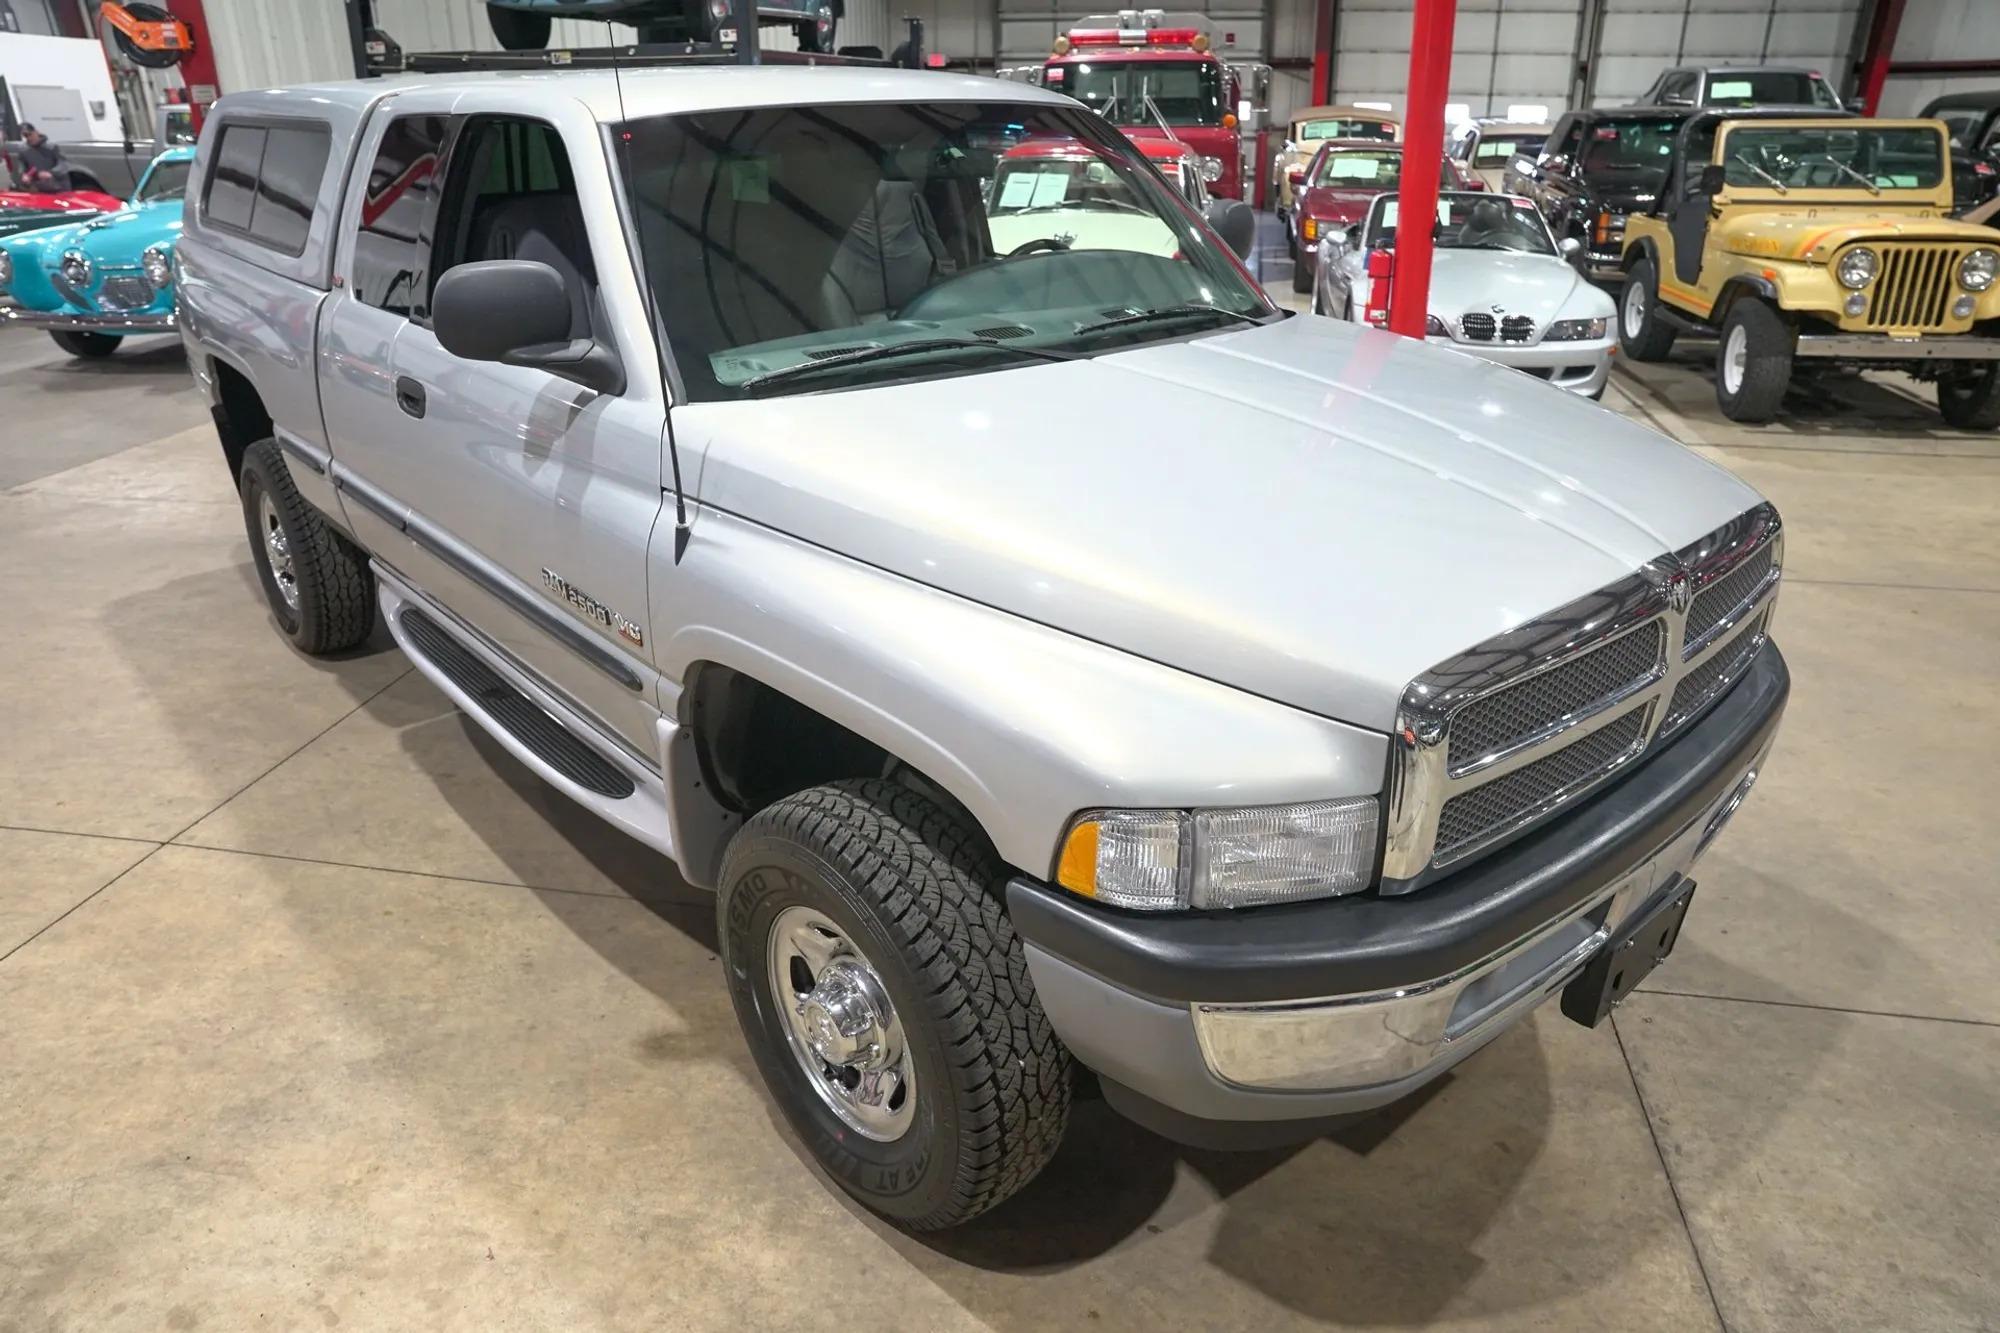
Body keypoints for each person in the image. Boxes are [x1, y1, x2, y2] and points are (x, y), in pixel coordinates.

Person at [15, 123, 73, 193]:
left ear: (36, 132)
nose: (29, 138)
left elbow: (64, 164)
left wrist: (51, 173)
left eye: (30, 134)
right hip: (39, 188)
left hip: (59, 187)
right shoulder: (24, 150)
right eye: (25, 136)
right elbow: (22, 166)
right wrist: (24, 175)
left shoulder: (52, 147)